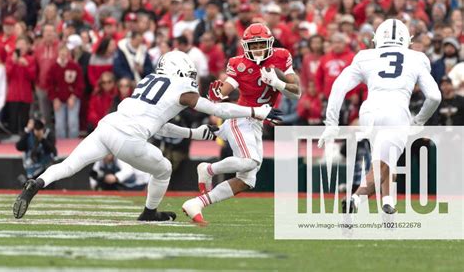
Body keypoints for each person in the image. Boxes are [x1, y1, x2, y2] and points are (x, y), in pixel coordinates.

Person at [13, 51, 282, 222]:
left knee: (69, 165)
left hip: (109, 125)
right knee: (164, 169)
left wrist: (192, 133)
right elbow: (217, 108)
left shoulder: (147, 81)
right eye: (189, 73)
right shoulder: (181, 90)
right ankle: (149, 212)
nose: (191, 78)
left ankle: (37, 182)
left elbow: (159, 125)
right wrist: (257, 111)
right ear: (180, 70)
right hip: (129, 138)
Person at [318, 19, 441, 214]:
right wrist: (418, 122)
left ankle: (388, 201)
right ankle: (356, 198)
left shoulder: (364, 56)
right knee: (383, 162)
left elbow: (338, 87)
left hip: (369, 112)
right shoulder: (417, 58)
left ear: (377, 39)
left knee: (383, 159)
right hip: (397, 112)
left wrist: (331, 123)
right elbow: (434, 97)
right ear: (406, 40)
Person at [182, 23, 300, 225]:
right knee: (250, 161)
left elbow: (295, 91)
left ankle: (197, 203)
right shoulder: (238, 63)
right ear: (245, 47)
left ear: (269, 43)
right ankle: (209, 169)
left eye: (261, 44)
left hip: (257, 122)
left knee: (247, 180)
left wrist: (277, 83)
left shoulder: (281, 56)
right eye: (252, 46)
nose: (257, 49)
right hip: (241, 117)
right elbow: (227, 88)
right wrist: (217, 95)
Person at [47, 46, 84, 139]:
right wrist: (54, 99)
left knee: (73, 123)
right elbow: (49, 85)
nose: (63, 56)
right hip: (58, 99)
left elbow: (80, 84)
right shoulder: (53, 68)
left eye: (65, 53)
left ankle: (73, 144)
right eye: (61, 53)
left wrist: (74, 96)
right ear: (58, 54)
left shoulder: (75, 67)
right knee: (59, 124)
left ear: (68, 54)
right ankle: (61, 145)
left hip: (72, 98)